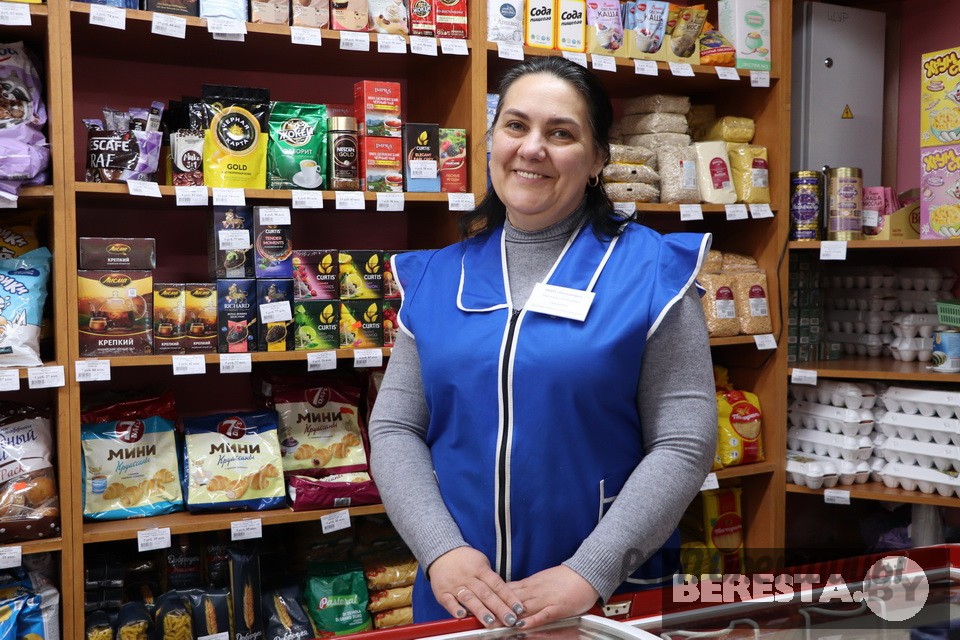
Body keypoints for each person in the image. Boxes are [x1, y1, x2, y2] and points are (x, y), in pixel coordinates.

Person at [369, 56, 717, 630]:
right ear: (492, 141)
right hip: (462, 597)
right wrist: (442, 551)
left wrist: (589, 572)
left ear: (597, 159)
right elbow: (394, 427)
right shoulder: (434, 276)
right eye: (516, 125)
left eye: (561, 133)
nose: (532, 148)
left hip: (602, 599)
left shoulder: (654, 272)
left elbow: (684, 442)